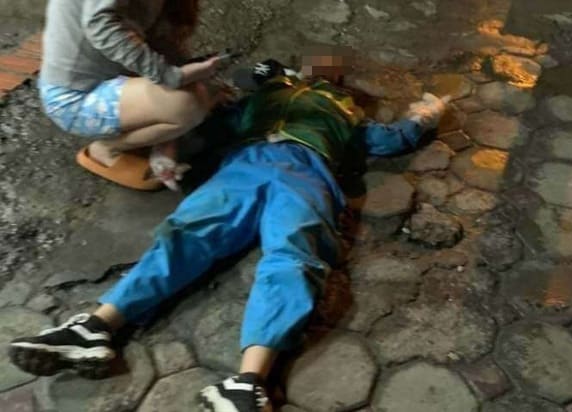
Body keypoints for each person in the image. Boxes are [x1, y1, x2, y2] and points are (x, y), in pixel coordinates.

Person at [10, 52, 449, 411]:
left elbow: (391, 139)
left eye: (332, 70)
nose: (324, 68)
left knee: (294, 256)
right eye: (318, 63)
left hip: (307, 170)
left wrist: (426, 115)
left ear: (340, 85)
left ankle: (248, 383)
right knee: (185, 235)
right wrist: (169, 150)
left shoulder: (347, 112)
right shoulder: (266, 91)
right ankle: (94, 327)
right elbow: (209, 123)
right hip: (245, 164)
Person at [39, 0, 224, 190]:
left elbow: (163, 41)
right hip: (74, 99)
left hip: (113, 77)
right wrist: (171, 76)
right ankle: (106, 149)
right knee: (187, 102)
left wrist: (190, 73)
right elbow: (101, 26)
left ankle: (159, 137)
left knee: (202, 92)